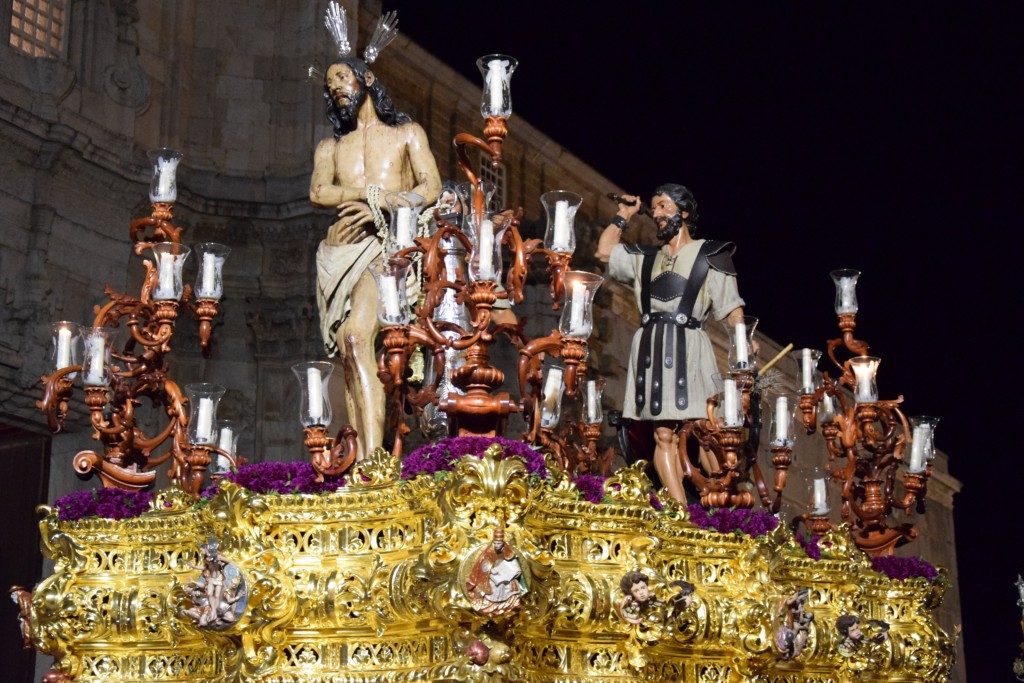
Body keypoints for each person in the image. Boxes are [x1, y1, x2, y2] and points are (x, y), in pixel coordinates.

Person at [310, 55, 441, 460]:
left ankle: (372, 465)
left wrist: (381, 205)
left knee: (355, 334)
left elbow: (431, 186)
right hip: (340, 251)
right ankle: (361, 459)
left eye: (342, 77)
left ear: (366, 78)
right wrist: (367, 195)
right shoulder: (331, 147)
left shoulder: (406, 134)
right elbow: (319, 192)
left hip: (388, 248)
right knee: (349, 349)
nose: (336, 87)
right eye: (330, 82)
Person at [595, 184, 749, 503]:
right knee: (663, 433)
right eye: (654, 208)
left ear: (684, 212)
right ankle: (681, 515)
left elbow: (732, 310)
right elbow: (604, 252)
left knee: (707, 433)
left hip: (691, 347)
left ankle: (721, 502)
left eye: (664, 206)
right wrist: (624, 214)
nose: (657, 214)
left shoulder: (711, 254)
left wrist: (744, 348)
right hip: (652, 346)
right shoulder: (645, 258)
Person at [466, 526, 526, 614]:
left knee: (510, 584)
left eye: (499, 544)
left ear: (503, 543)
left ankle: (507, 604)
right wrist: (491, 571)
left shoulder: (508, 551)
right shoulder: (488, 552)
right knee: (494, 585)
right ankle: (492, 605)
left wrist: (514, 572)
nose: (497, 546)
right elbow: (483, 566)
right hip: (492, 577)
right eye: (495, 543)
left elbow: (514, 565)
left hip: (505, 577)